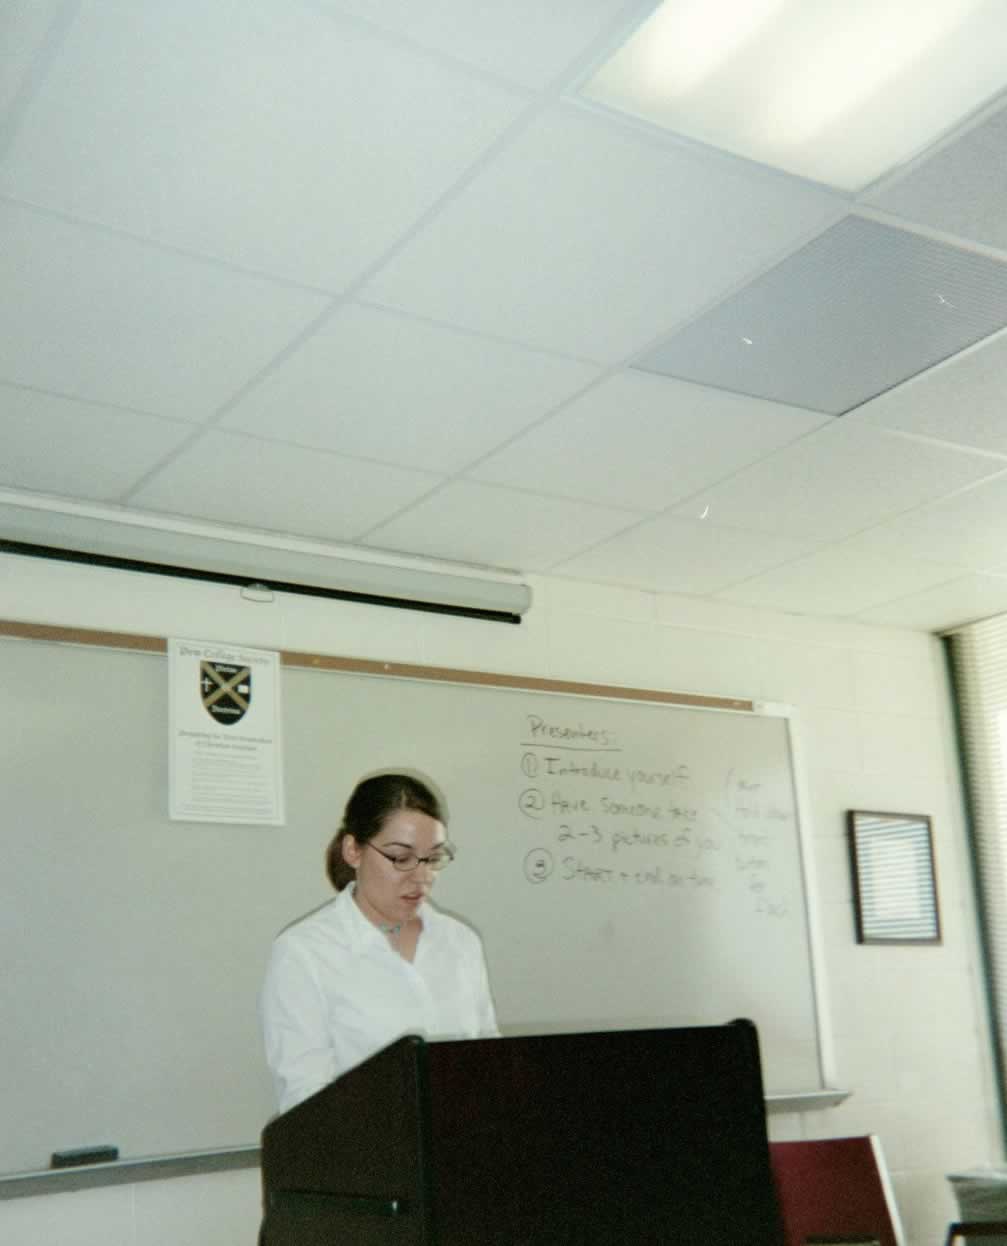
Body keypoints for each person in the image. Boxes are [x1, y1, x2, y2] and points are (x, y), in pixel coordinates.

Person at [259, 771, 498, 1114]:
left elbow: (487, 1063)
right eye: (401, 858)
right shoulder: (304, 952)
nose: (422, 876)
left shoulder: (460, 942)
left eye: (433, 858)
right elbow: (305, 1100)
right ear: (353, 850)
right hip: (361, 1158)